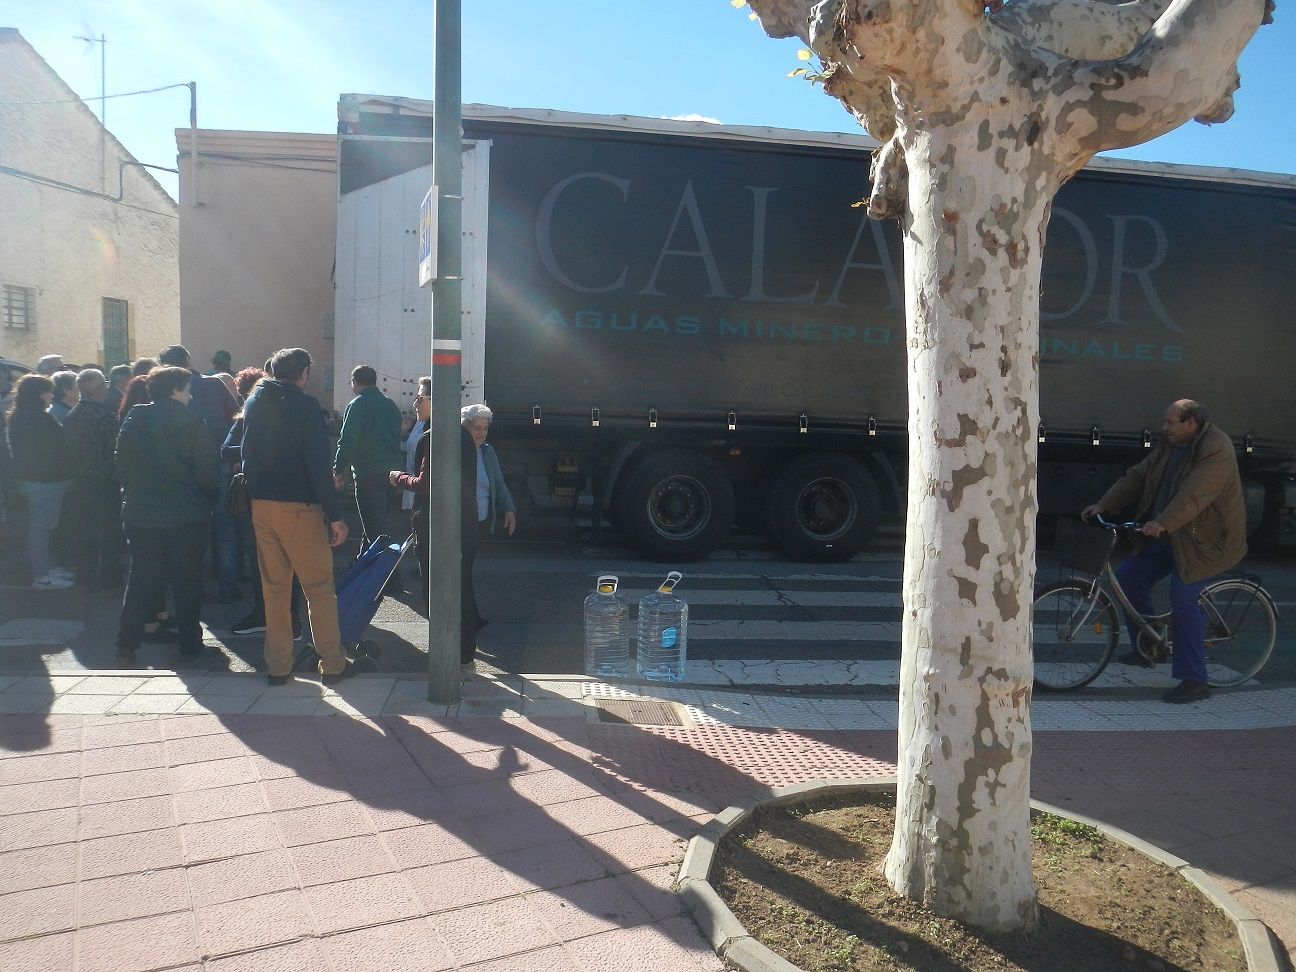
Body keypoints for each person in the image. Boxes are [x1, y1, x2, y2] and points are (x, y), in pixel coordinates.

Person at [1082, 399, 1247, 704]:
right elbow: (1138, 476)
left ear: (1191, 424)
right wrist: (1105, 504)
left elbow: (1196, 493)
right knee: (1129, 580)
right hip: (1171, 536)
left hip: (1205, 542)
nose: (1165, 428)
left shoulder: (1215, 448)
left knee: (1183, 598)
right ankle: (1150, 646)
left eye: (1171, 422)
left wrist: (1162, 522)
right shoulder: (1170, 446)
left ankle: (1195, 680)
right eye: (1165, 422)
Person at [241, 348, 354, 686]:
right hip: (300, 507)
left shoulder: (254, 400)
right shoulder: (304, 406)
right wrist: (335, 514)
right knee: (318, 588)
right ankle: (332, 663)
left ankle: (278, 665)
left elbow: (245, 452)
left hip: (262, 504)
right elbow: (317, 465)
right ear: (303, 372)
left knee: (274, 589)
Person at [114, 367, 221, 664]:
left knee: (141, 577)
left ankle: (126, 642)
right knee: (188, 580)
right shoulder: (194, 423)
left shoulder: (134, 418)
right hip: (187, 515)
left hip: (140, 512)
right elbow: (208, 474)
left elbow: (120, 464)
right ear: (175, 389)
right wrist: (206, 500)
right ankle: (189, 643)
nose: (190, 394)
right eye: (187, 388)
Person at [222, 367, 303, 639]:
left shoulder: (251, 418)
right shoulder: (276, 416)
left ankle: (278, 619)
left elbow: (228, 450)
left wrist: (246, 456)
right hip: (280, 497)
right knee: (274, 561)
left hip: (261, 497)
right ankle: (283, 620)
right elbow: (226, 449)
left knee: (269, 562)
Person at [159, 345, 240, 601]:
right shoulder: (215, 385)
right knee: (222, 526)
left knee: (188, 529)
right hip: (218, 462)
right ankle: (228, 585)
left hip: (182, 469)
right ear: (188, 360)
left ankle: (192, 587)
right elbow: (235, 419)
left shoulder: (164, 392)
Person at [6, 375, 74, 589]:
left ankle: (45, 569)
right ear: (39, 394)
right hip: (45, 481)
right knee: (41, 529)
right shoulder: (40, 418)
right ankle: (42, 576)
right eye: (48, 391)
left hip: (33, 479)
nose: (52, 395)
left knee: (42, 528)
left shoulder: (19, 416)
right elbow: (54, 449)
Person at [333, 365, 404, 555]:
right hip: (393, 476)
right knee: (376, 528)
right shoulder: (390, 405)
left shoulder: (357, 405)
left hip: (368, 475)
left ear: (355, 382)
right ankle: (363, 572)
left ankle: (389, 582)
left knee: (376, 535)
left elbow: (347, 441)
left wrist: (338, 470)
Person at [63, 369, 124, 590]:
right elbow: (115, 448)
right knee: (110, 533)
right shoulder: (105, 417)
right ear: (100, 389)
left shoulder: (72, 415)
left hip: (80, 481)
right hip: (105, 481)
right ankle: (110, 581)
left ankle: (85, 578)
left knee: (84, 533)